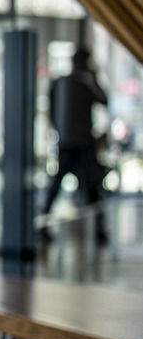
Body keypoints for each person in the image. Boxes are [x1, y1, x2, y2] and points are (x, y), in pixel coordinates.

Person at [42, 47, 109, 239]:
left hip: (73, 142)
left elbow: (51, 112)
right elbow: (104, 100)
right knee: (81, 186)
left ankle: (99, 231)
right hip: (77, 143)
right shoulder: (77, 84)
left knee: (83, 187)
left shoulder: (67, 84)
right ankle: (98, 231)